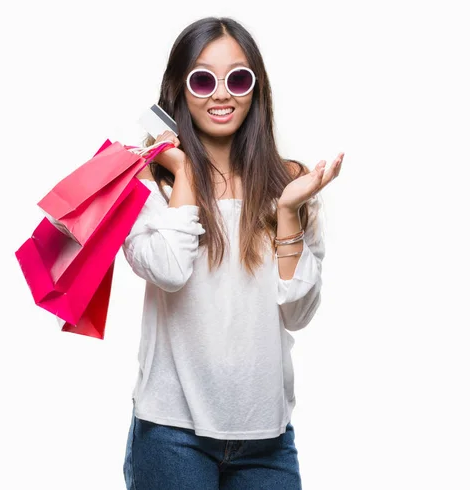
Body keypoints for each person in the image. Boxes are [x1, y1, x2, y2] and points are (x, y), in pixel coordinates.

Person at [121, 16, 343, 490]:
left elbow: (299, 312)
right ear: (179, 91)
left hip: (268, 438)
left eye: (237, 78)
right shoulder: (146, 187)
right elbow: (170, 270)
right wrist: (183, 172)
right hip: (171, 433)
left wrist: (287, 211)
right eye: (203, 79)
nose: (221, 94)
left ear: (255, 89)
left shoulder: (292, 184)